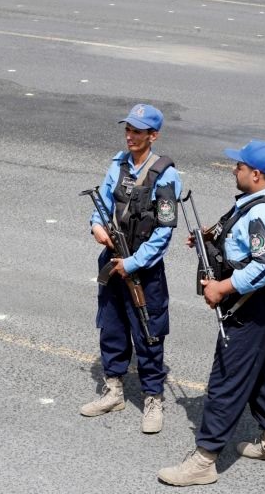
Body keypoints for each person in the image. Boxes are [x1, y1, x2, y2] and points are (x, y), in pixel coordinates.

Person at [157, 140, 265, 486]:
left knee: (226, 379)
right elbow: (236, 236)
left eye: (240, 166)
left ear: (256, 174)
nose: (235, 170)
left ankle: (204, 459)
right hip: (254, 306)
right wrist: (209, 238)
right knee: (258, 369)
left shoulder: (263, 213)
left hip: (250, 305)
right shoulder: (253, 203)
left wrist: (222, 288)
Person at [80, 104, 182, 434]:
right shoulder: (119, 164)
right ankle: (114, 389)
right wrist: (96, 226)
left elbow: (165, 232)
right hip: (113, 257)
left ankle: (153, 398)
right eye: (128, 129)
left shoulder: (166, 175)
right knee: (111, 324)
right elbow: (104, 204)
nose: (130, 136)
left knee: (148, 331)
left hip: (143, 266)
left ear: (153, 136)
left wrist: (133, 263)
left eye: (137, 131)